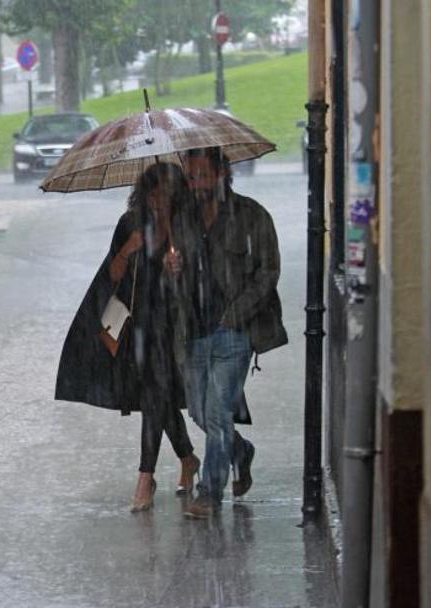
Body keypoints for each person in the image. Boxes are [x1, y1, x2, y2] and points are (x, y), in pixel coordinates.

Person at [56, 162, 200, 513]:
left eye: (166, 193)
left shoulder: (187, 228)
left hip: (174, 325)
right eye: (153, 193)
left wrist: (179, 269)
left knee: (156, 396)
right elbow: (113, 273)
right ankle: (187, 458)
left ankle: (145, 477)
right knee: (158, 397)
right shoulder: (130, 224)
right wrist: (128, 249)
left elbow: (199, 280)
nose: (159, 201)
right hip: (139, 325)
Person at [166, 147, 288, 519]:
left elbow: (268, 271)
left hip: (233, 333)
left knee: (218, 412)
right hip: (191, 331)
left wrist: (236, 315)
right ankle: (240, 451)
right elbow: (169, 282)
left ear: (223, 173)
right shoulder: (180, 219)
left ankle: (210, 492)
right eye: (190, 177)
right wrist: (169, 268)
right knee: (201, 414)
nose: (196, 184)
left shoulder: (251, 216)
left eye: (203, 175)